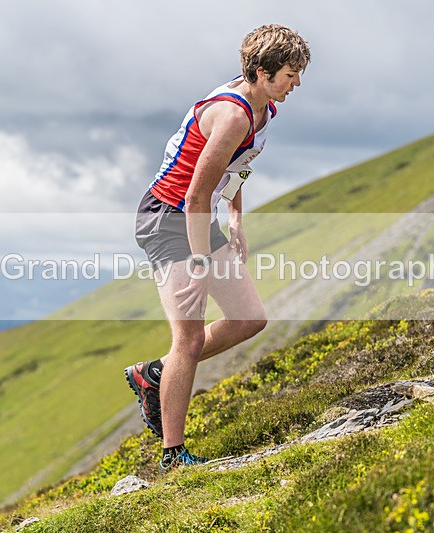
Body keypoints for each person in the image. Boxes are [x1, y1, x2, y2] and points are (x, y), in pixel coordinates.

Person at [125, 24, 311, 470]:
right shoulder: (232, 115)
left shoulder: (263, 109)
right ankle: (173, 456)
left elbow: (234, 166)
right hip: (167, 219)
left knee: (249, 318)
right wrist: (199, 263)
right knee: (188, 337)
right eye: (291, 74)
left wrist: (235, 217)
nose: (297, 83)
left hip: (199, 216)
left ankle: (155, 373)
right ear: (262, 72)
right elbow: (194, 195)